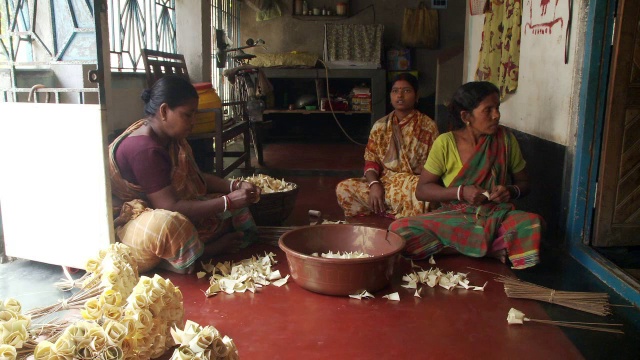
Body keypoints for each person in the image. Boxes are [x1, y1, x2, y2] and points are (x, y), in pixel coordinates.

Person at [108, 75, 261, 274]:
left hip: (162, 207)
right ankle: (205, 251)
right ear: (164, 111)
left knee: (233, 208)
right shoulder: (145, 149)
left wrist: (235, 187)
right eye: (187, 115)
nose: (193, 122)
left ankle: (185, 251)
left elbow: (196, 178)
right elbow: (169, 207)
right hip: (130, 223)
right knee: (170, 225)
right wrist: (228, 201)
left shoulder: (169, 139)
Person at [389, 81, 543, 269]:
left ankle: (466, 246)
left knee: (532, 224)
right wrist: (461, 192)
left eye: (497, 108)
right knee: (398, 231)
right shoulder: (445, 143)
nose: (497, 115)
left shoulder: (506, 140)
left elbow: (524, 183)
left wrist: (510, 191)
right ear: (466, 116)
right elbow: (423, 190)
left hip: (495, 215)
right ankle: (485, 249)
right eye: (488, 110)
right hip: (455, 217)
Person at [335, 73, 439, 219]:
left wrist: (408, 184)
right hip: (386, 184)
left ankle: (390, 211)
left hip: (413, 186)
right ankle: (395, 211)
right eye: (395, 91)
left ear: (416, 96)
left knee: (419, 193)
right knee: (344, 188)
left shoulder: (428, 127)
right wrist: (374, 184)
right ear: (390, 96)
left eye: (406, 91)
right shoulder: (380, 126)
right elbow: (371, 161)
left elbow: (435, 166)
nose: (400, 95)